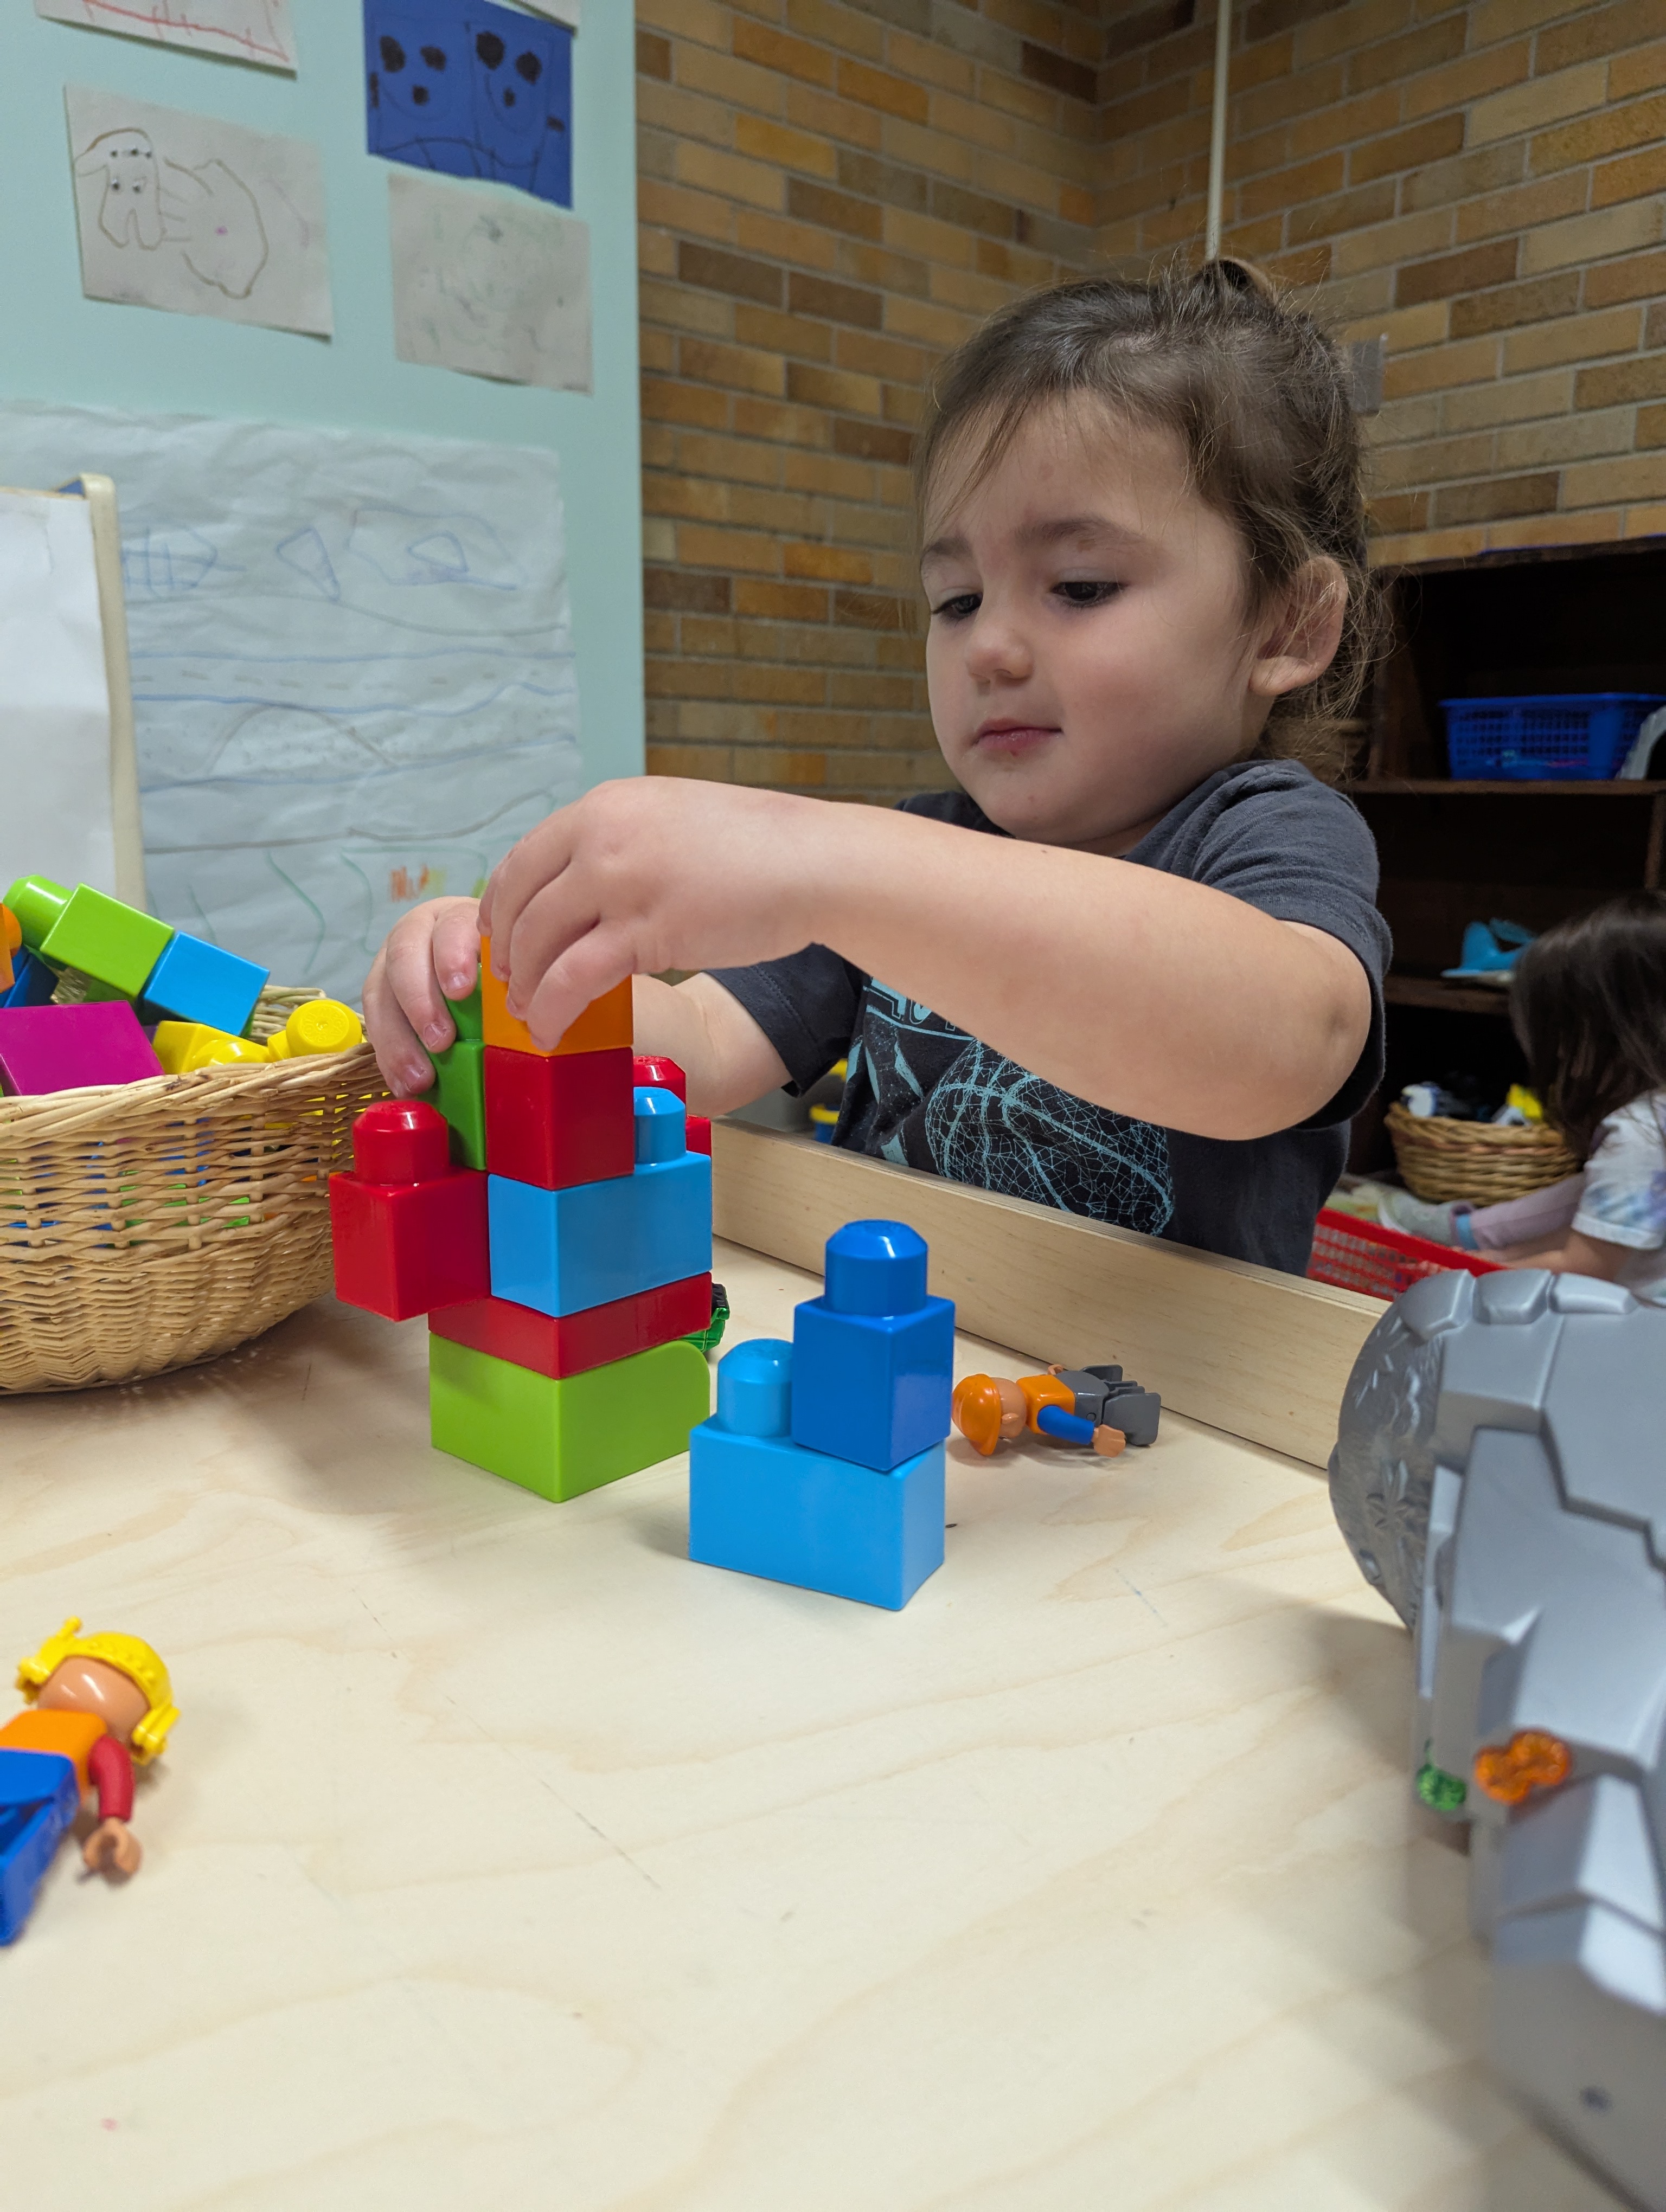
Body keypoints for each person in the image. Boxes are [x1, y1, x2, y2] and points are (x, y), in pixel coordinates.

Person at [366, 261, 1391, 1274]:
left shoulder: (1266, 833)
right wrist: (501, 974)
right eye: (955, 600)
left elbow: (1288, 1042)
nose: (990, 647)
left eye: (1079, 586)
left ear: (1289, 623)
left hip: (1171, 1426)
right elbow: (693, 1049)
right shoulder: (913, 845)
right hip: (890, 1380)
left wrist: (817, 856)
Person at [1383, 893, 1666, 1301]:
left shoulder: (1638, 1136)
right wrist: (1479, 1260)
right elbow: (1587, 1235)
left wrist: (1466, 1280)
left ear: (1617, 1029)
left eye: (1564, 1034)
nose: (1561, 1053)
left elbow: (1584, 1267)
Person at [0, 1617, 178, 1944]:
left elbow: (115, 1773)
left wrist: (113, 1823)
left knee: (17, 1849)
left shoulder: (100, 1742)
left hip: (44, 1799)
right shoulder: (27, 1722)